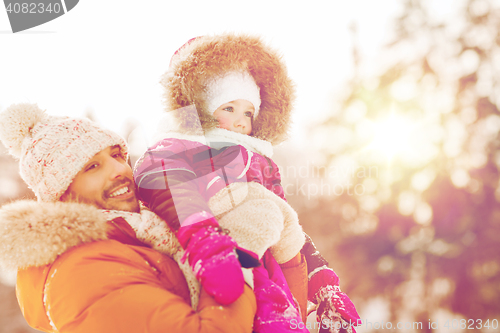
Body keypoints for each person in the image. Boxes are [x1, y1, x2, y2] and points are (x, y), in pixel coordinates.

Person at [133, 33, 360, 333]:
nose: (240, 121)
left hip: (269, 265)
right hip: (211, 259)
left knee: (281, 314)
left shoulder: (260, 160)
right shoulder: (183, 145)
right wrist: (207, 242)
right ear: (201, 108)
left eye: (248, 112)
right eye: (228, 108)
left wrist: (324, 284)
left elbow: (288, 223)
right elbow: (157, 177)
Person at [0, 103, 257, 333]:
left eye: (115, 155)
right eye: (92, 166)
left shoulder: (143, 233)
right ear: (63, 195)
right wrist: (235, 257)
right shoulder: (83, 271)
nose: (119, 170)